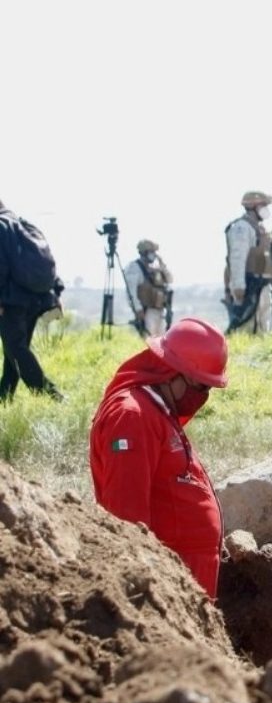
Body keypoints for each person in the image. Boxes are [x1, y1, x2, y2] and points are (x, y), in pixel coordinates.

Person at [89, 318, 229, 600]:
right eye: (202, 387)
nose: (203, 397)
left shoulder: (158, 411)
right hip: (166, 589)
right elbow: (126, 516)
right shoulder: (133, 417)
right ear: (175, 372)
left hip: (188, 579)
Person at [0, 200, 64, 402]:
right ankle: (4, 398)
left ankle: (52, 396)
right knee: (16, 351)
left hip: (12, 301)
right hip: (36, 298)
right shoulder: (22, 224)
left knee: (16, 350)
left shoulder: (2, 226)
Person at [225, 190, 272, 335]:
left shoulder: (261, 228)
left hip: (263, 284)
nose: (266, 210)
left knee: (264, 326)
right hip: (249, 285)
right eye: (263, 205)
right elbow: (237, 258)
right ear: (253, 207)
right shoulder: (241, 228)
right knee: (246, 326)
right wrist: (239, 286)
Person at [124, 239, 173, 338]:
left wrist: (163, 266)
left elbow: (170, 279)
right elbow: (131, 292)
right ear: (144, 252)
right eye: (152, 252)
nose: (154, 254)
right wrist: (138, 309)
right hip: (146, 312)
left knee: (161, 341)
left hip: (160, 310)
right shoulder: (134, 267)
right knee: (148, 341)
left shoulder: (154, 268)